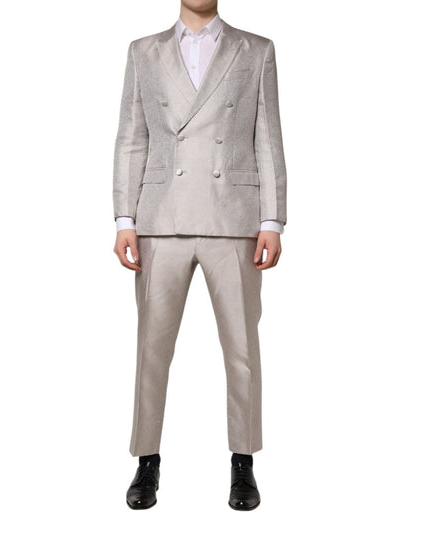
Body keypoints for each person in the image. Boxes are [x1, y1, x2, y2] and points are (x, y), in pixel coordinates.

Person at [112, 0, 287, 511]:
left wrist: (272, 220)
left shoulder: (256, 49)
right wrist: (124, 219)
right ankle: (147, 461)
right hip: (159, 218)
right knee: (151, 349)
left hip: (233, 217)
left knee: (242, 350)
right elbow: (131, 138)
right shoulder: (143, 51)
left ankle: (243, 462)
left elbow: (267, 138)